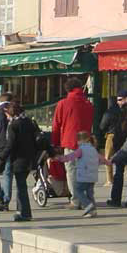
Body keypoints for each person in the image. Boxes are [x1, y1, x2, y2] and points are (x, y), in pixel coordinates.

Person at [52, 78, 95, 208]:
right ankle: (88, 199)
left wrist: (55, 144)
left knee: (71, 172)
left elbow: (56, 125)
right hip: (86, 143)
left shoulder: (63, 103)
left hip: (70, 142)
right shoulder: (88, 104)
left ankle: (76, 200)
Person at [1, 101, 39, 222]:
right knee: (21, 185)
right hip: (30, 159)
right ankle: (21, 211)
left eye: (7, 113)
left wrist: (2, 157)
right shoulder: (29, 122)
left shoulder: (13, 125)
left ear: (11, 113)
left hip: (18, 160)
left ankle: (25, 213)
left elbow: (11, 144)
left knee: (21, 186)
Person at [57, 131, 110, 217]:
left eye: (78, 140)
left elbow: (71, 157)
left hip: (84, 176)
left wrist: (60, 158)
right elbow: (101, 159)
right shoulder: (93, 150)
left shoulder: (81, 150)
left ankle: (89, 207)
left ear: (82, 140)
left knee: (78, 191)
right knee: (90, 193)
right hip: (93, 177)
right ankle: (93, 210)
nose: (77, 143)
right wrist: (108, 162)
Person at [104, 90, 127, 207]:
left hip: (120, 143)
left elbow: (104, 125)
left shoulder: (116, 111)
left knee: (119, 172)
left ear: (126, 99)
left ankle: (116, 199)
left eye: (120, 99)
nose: (118, 101)